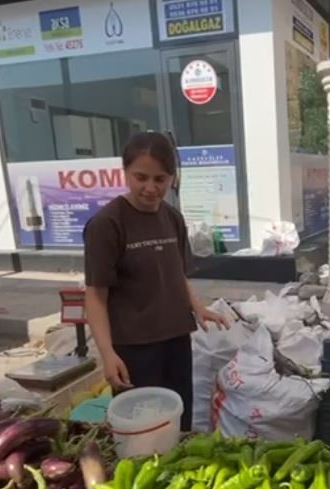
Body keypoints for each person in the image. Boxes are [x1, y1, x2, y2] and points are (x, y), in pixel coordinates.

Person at [84, 132, 228, 432]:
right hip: (133, 348)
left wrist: (197, 306)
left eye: (160, 179)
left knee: (179, 420)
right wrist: (107, 355)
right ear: (124, 173)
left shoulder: (172, 218)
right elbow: (95, 296)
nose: (151, 188)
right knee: (141, 429)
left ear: (171, 178)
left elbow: (177, 273)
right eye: (141, 177)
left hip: (176, 338)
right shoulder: (107, 225)